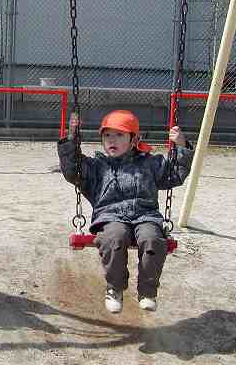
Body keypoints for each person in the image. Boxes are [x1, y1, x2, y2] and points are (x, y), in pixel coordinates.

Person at [57, 110, 193, 314]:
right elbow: (72, 171)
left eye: (119, 135)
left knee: (152, 240)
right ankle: (115, 289)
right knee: (114, 238)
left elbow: (174, 174)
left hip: (145, 216)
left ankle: (147, 292)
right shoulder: (97, 167)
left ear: (134, 139)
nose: (112, 140)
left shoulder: (150, 163)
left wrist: (181, 145)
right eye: (107, 135)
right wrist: (71, 139)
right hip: (111, 217)